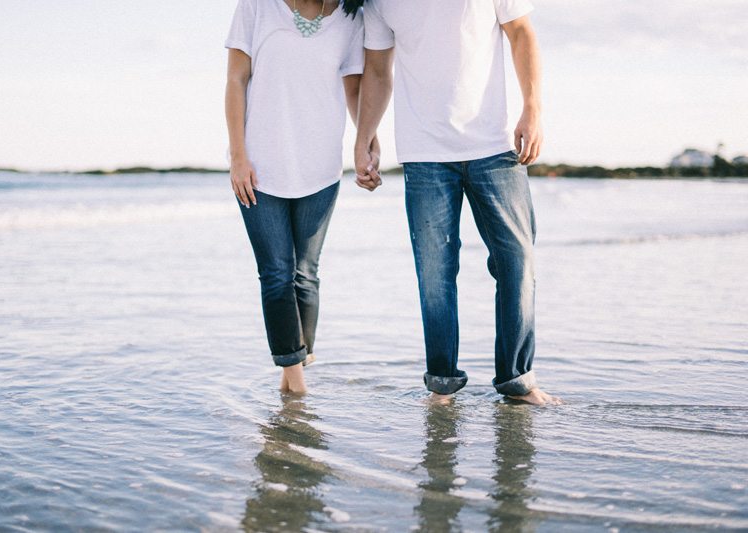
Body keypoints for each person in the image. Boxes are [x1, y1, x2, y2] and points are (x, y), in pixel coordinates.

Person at [353, 0, 560, 405]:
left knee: (517, 262)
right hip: (424, 152)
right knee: (435, 274)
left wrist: (532, 108)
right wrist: (364, 137)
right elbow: (378, 70)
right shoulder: (377, 3)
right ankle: (442, 384)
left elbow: (521, 33)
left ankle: (517, 381)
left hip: (496, 145)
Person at [225, 0, 375, 394]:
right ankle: (298, 381)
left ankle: (291, 374)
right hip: (260, 166)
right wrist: (238, 155)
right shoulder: (257, 6)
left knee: (305, 275)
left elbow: (354, 88)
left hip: (321, 165)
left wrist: (366, 142)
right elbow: (236, 79)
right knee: (276, 273)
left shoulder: (350, 17)